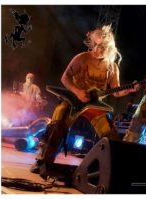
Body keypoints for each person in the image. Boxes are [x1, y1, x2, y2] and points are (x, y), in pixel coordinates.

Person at [30, 25, 138, 174]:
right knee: (58, 123)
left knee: (110, 134)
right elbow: (65, 77)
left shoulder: (112, 68)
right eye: (95, 45)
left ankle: (108, 171)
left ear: (109, 48)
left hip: (94, 106)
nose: (97, 49)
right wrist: (78, 91)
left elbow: (116, 92)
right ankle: (42, 161)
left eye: (101, 47)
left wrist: (129, 89)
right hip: (73, 101)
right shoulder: (82, 58)